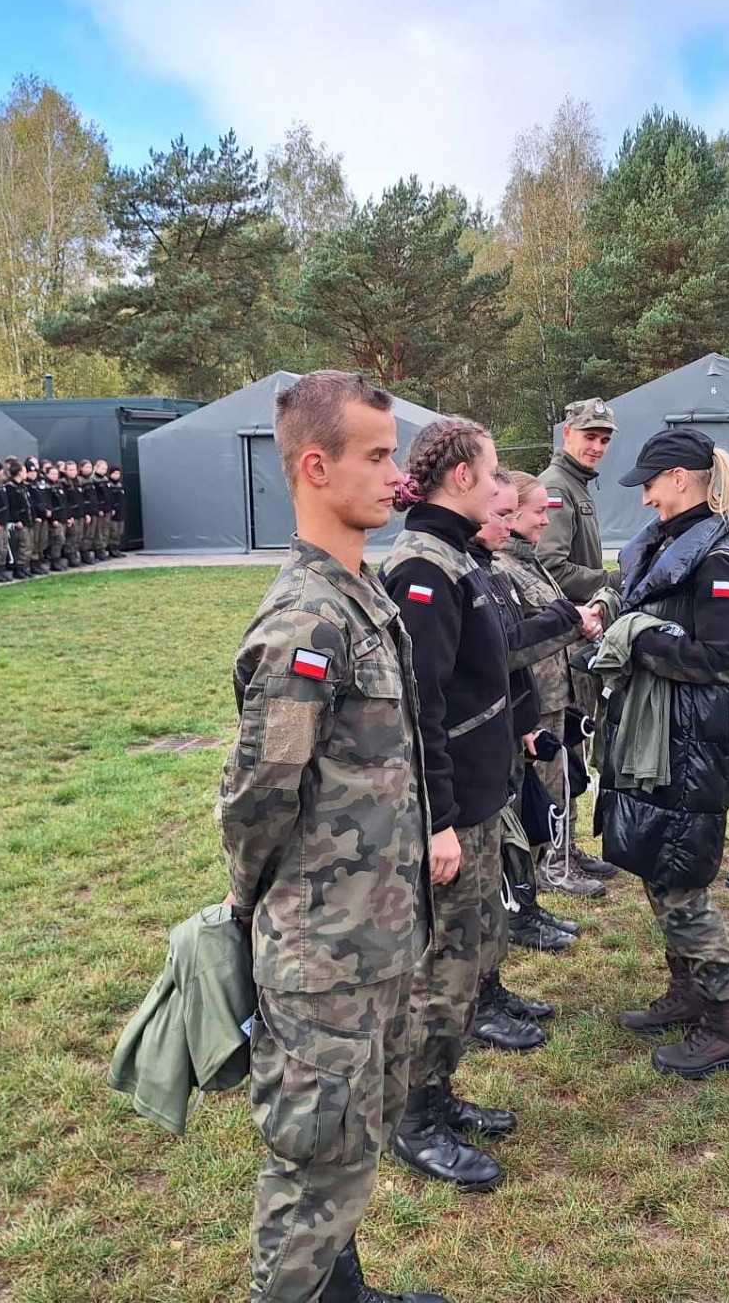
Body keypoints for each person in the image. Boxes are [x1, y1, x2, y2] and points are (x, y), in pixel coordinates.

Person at [217, 370, 448, 1303]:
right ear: (316, 466)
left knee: (353, 1142)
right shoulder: (305, 623)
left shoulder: (360, 596)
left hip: (377, 934)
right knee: (315, 1164)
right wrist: (250, 902)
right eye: (379, 456)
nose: (398, 476)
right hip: (324, 952)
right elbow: (258, 795)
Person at [384, 419, 580, 1194]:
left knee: (468, 959)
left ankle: (439, 1091)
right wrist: (436, 819)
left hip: (478, 794)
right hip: (452, 807)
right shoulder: (422, 567)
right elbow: (421, 707)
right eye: (494, 473)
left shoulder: (458, 558)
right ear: (461, 476)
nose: (503, 488)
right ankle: (414, 1117)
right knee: (443, 970)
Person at [600, 427, 729, 1079]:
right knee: (656, 863)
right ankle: (690, 990)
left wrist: (638, 639)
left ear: (679, 479)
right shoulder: (669, 546)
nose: (644, 499)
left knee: (681, 883)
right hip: (658, 738)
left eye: (650, 484)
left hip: (689, 745)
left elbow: (725, 659)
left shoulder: (718, 562)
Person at [496, 471, 593, 947]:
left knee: (557, 791)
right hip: (533, 703)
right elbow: (521, 642)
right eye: (537, 512)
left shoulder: (530, 563)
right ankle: (530, 893)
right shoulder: (505, 569)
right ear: (511, 513)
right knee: (534, 804)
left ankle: (543, 881)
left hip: (555, 696)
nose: (544, 521)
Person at [535, 397, 624, 894]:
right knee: (560, 751)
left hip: (575, 638)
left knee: (574, 744)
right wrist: (612, 581)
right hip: (563, 644)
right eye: (589, 436)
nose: (597, 446)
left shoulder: (575, 485)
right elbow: (551, 567)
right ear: (566, 434)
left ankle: (565, 846)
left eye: (604, 439)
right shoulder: (556, 488)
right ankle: (553, 858)